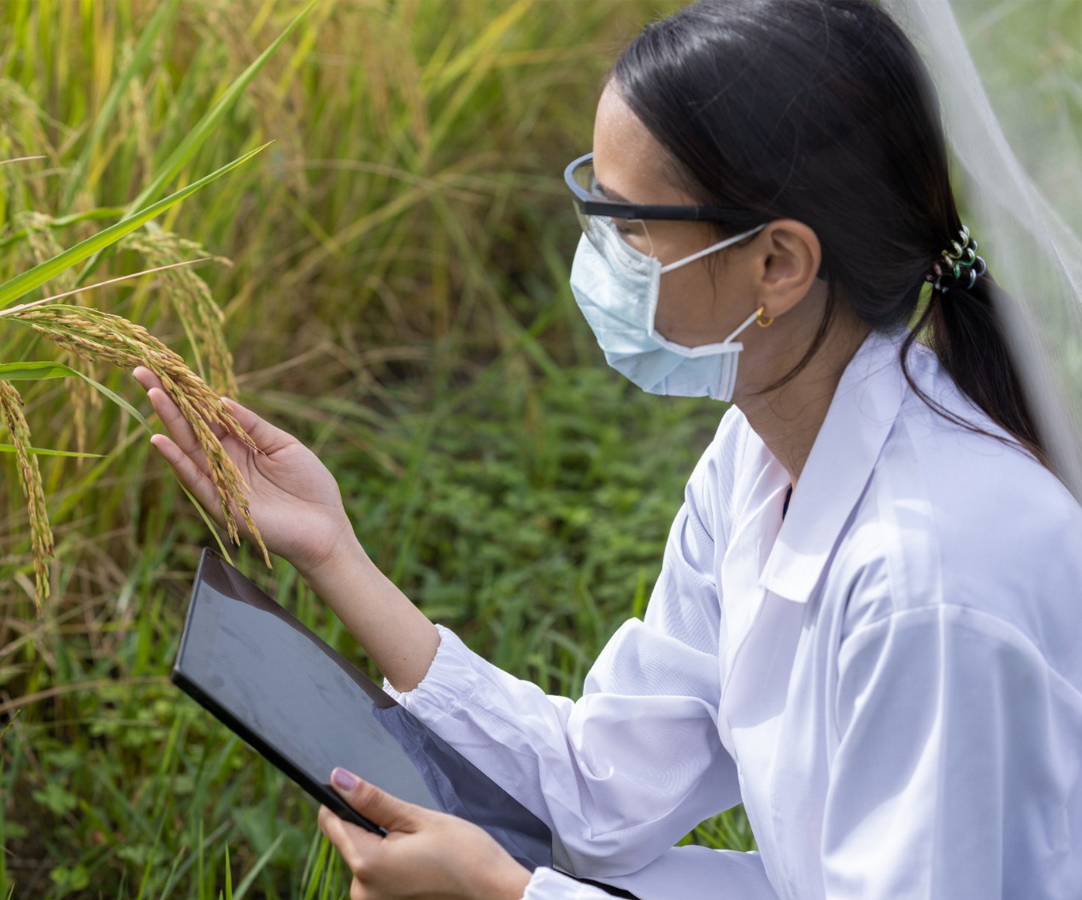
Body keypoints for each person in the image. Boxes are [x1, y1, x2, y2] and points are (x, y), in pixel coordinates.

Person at [134, 0, 1082, 896]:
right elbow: (603, 790)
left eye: (632, 228)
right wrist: (334, 554)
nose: (599, 262)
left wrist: (507, 894)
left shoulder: (930, 586)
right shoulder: (757, 457)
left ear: (778, 265)